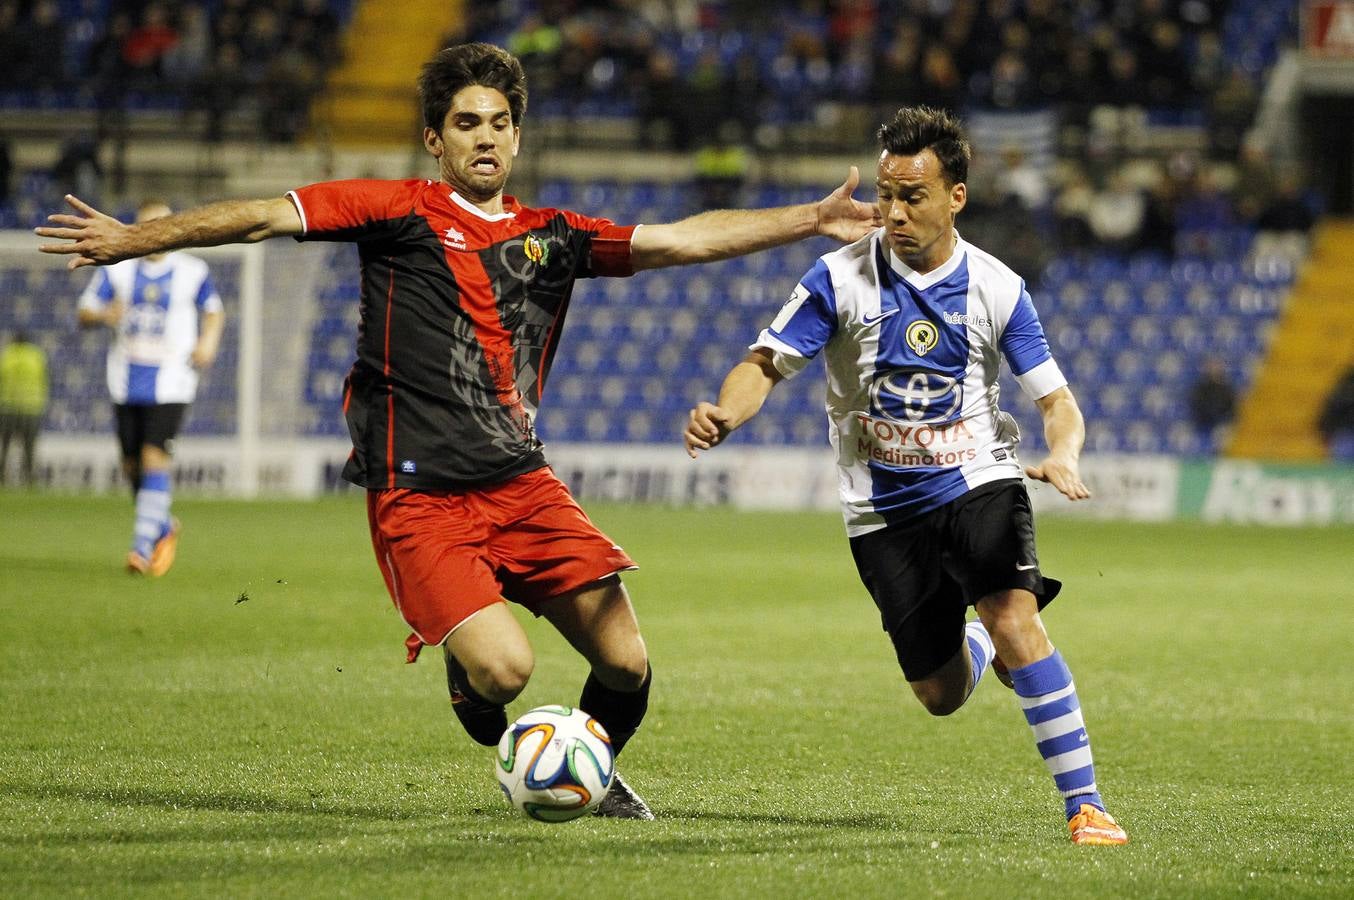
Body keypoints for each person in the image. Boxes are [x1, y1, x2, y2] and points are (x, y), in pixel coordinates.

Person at [37, 42, 878, 819]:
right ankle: (470, 678)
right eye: (467, 122)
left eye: (500, 123)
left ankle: (588, 762)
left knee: (626, 664)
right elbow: (262, 216)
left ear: (518, 135)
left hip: (522, 482)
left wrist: (810, 217)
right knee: (504, 673)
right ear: (434, 140)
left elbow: (683, 241)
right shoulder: (392, 212)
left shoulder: (555, 235)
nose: (486, 137)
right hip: (420, 496)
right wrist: (134, 240)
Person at [684, 106, 1129, 846]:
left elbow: (1057, 401)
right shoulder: (837, 278)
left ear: (956, 196)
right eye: (886, 193)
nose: (892, 211)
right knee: (939, 692)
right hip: (882, 510)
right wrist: (727, 415)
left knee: (1017, 616)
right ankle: (979, 643)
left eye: (912, 195)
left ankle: (1086, 806)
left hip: (980, 478)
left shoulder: (998, 287)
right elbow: (763, 364)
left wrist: (1065, 454)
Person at [75, 200, 225, 577]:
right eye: (147, 225)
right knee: (131, 467)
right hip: (125, 380)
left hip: (173, 381)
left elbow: (214, 310)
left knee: (153, 457)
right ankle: (162, 524)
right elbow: (85, 310)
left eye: (162, 224)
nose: (155, 231)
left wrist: (207, 342)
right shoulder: (120, 269)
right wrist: (105, 314)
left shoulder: (192, 270)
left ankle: (141, 548)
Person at [0, 329, 49, 487]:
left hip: (8, 407)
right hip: (31, 408)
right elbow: (46, 378)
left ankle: (2, 476)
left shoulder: (7, 355)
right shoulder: (36, 355)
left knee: (5, 446)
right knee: (29, 447)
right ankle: (28, 478)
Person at [1188, 356, 1236, 448]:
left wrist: (1224, 420)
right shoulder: (1200, 388)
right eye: (1211, 367)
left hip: (1222, 425)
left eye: (1217, 366)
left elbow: (1231, 408)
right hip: (1203, 424)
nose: (1214, 369)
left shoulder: (1226, 389)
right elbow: (1197, 406)